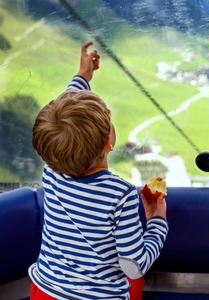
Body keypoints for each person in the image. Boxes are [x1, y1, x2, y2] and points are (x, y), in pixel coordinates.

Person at [28, 41, 169, 300]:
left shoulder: (52, 169)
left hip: (45, 290)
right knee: (132, 283)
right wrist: (157, 221)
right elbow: (133, 266)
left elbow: (61, 123)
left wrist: (82, 76)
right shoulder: (120, 195)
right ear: (109, 142)